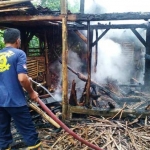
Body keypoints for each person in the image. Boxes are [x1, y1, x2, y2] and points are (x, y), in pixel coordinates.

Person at [0, 28, 42, 150]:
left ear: (4, 40)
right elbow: (23, 78)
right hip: (15, 101)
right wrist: (32, 92)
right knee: (28, 132)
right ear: (18, 41)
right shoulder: (19, 53)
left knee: (2, 134)